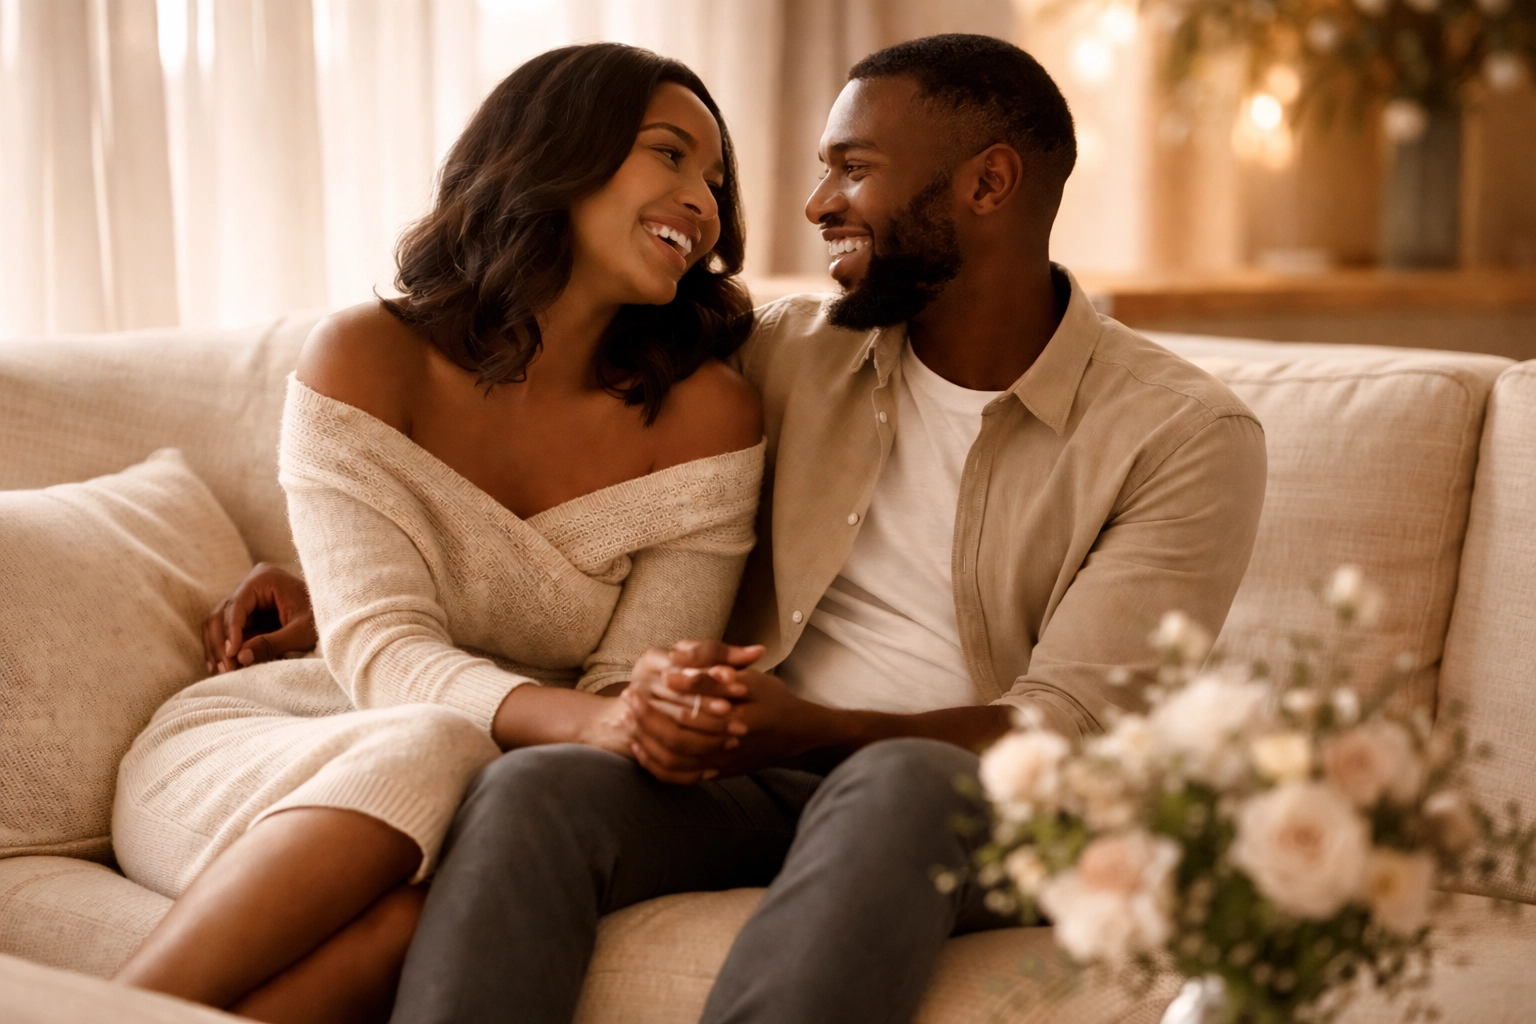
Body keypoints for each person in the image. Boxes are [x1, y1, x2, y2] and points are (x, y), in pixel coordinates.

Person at [218, 34, 1268, 1024]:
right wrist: (337, 581)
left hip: (996, 806)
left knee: (902, 778)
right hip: (750, 772)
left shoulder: (1183, 434)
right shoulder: (780, 357)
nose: (815, 206)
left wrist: (815, 729)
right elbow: (544, 472)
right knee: (540, 787)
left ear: (988, 185)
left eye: (852, 170)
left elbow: (1074, 727)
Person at [110, 43, 765, 1024]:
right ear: (554, 152)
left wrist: (610, 721)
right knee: (429, 742)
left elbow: (632, 692)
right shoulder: (369, 358)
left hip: (494, 794)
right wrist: (591, 721)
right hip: (282, 743)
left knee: (448, 909)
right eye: (670, 154)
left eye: (715, 179)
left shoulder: (708, 418)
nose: (704, 201)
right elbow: (379, 651)